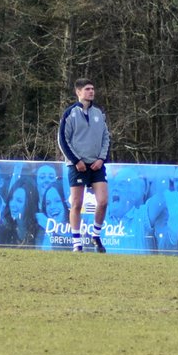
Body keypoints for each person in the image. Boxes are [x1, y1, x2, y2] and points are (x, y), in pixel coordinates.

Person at [58, 78, 111, 253]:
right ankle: (76, 243)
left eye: (92, 88)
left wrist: (101, 159)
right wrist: (76, 161)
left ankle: (96, 236)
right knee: (76, 204)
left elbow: (106, 138)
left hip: (96, 164)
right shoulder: (70, 113)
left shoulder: (99, 113)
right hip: (77, 165)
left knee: (103, 201)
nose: (91, 91)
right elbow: (62, 140)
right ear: (78, 92)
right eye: (87, 89)